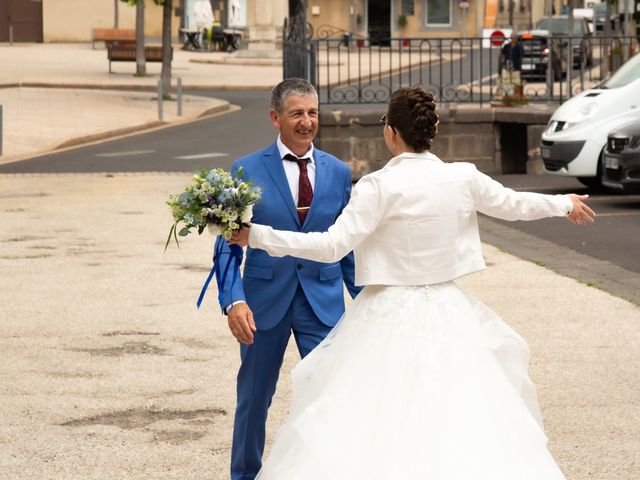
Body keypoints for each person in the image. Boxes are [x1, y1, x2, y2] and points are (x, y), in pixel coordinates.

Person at [230, 86, 595, 479]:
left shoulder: (378, 187)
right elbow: (514, 204)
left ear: (391, 133)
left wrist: (259, 236)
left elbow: (331, 246)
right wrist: (564, 204)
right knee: (454, 413)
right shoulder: (462, 177)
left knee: (367, 417)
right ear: (432, 129)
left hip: (387, 315)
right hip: (448, 311)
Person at [212, 78, 361, 480]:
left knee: (329, 396)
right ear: (275, 118)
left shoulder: (338, 172)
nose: (306, 122)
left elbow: (346, 246)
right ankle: (245, 475)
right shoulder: (245, 168)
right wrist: (233, 300)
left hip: (322, 300)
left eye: (312, 113)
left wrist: (367, 300)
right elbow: (228, 244)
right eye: (297, 113)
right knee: (254, 399)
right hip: (263, 304)